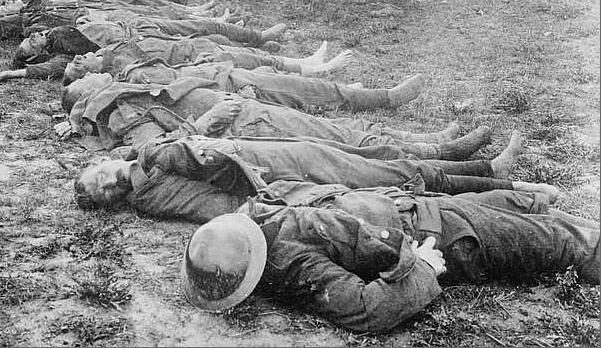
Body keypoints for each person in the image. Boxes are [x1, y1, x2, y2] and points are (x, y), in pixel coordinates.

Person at [180, 183, 598, 332]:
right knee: (568, 245)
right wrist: (424, 269)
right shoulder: (294, 266)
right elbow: (367, 311)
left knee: (527, 206)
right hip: (449, 238)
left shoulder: (255, 217)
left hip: (419, 205)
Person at [73, 131, 560, 218]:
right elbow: (208, 205)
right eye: (104, 192)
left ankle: (471, 161)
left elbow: (193, 147)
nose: (110, 179)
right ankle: (503, 181)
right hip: (270, 173)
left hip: (267, 151)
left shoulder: (141, 157)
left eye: (100, 175)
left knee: (375, 156)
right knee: (391, 174)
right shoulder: (149, 191)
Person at [61, 72, 492, 160]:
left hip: (245, 112)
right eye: (91, 76)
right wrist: (212, 117)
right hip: (242, 128)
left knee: (334, 130)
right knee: (335, 143)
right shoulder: (119, 110)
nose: (97, 68)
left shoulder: (122, 93)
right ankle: (438, 152)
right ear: (89, 94)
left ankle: (427, 141)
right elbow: (156, 151)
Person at [0, 22, 350, 82]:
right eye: (31, 42)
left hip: (150, 35)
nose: (36, 35)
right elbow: (38, 72)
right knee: (246, 59)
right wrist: (10, 72)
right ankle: (308, 67)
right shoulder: (67, 59)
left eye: (31, 35)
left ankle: (292, 57)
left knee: (230, 43)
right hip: (179, 53)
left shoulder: (54, 30)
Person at [88, 56, 427, 111]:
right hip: (229, 89)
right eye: (85, 81)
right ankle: (384, 98)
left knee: (291, 85)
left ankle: (345, 92)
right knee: (297, 91)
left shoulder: (129, 75)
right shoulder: (130, 92)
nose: (89, 73)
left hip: (224, 76)